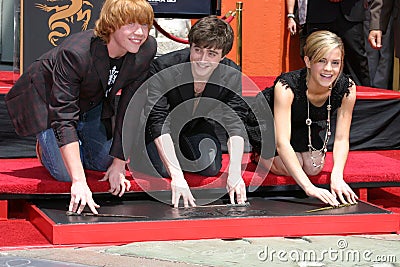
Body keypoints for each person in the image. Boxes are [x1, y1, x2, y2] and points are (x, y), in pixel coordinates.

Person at [4, 0, 157, 214]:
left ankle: (74, 142)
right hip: (49, 101)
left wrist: (120, 162)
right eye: (131, 24)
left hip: (91, 99)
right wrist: (78, 181)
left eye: (145, 25)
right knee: (65, 174)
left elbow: (132, 104)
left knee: (105, 162)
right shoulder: (75, 53)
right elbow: (63, 116)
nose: (140, 32)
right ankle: (46, 143)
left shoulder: (146, 48)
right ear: (112, 24)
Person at [135, 16, 248, 208]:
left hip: (193, 127)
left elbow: (234, 122)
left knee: (210, 166)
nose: (202, 60)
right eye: (197, 50)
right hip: (158, 131)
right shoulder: (164, 67)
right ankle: (164, 157)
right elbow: (157, 119)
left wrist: (236, 173)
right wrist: (177, 176)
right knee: (163, 169)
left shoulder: (230, 74)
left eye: (211, 54)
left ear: (223, 56)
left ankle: (178, 155)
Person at [249, 30, 358, 206]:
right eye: (321, 61)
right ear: (308, 61)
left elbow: (341, 138)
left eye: (335, 62)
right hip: (268, 123)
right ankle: (258, 157)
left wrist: (337, 177)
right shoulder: (286, 86)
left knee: (314, 167)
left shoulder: (347, 88)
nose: (328, 69)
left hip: (303, 123)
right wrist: (309, 188)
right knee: (296, 164)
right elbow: (282, 142)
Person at [303, 0, 370, 87]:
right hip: (319, 12)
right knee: (317, 56)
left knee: (356, 61)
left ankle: (361, 98)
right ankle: (314, 97)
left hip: (351, 12)